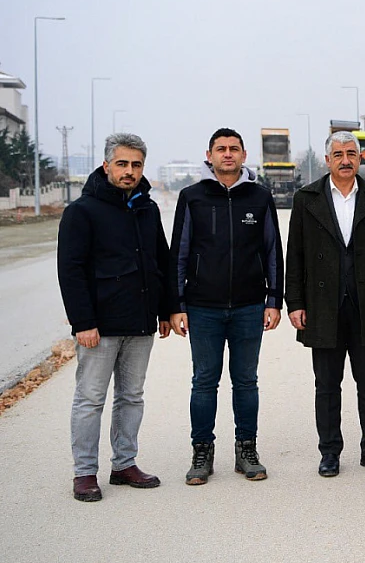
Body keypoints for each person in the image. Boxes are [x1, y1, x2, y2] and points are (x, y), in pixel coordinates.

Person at [58, 132, 171, 502]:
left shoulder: (147, 208)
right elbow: (71, 270)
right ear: (106, 165)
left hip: (139, 321)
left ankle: (124, 464)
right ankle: (84, 473)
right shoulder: (82, 211)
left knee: (132, 396)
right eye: (122, 163)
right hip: (99, 326)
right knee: (90, 398)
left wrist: (167, 309)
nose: (129, 171)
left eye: (136, 164)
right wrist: (83, 322)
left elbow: (161, 260)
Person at [168, 127, 283, 485]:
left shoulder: (260, 197)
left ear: (244, 156)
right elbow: (180, 253)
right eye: (221, 149)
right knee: (204, 381)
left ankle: (246, 450)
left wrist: (274, 299)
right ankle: (201, 452)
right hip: (203, 307)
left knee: (246, 381)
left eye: (234, 149)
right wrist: (178, 304)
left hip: (250, 306)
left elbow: (272, 251)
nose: (228, 154)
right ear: (210, 155)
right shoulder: (193, 197)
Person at [286, 131, 365, 478]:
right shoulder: (306, 199)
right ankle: (330, 451)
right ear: (327, 160)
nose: (345, 159)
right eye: (338, 154)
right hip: (322, 306)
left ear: (361, 158)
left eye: (351, 153)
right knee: (327, 385)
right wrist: (295, 303)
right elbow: (296, 256)